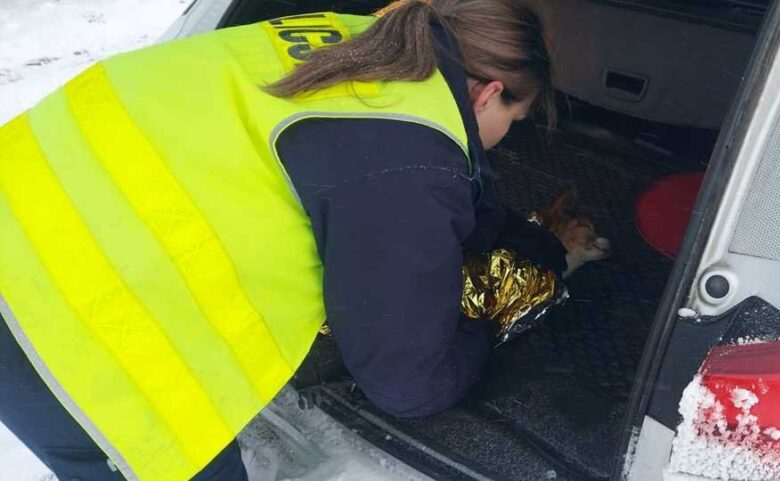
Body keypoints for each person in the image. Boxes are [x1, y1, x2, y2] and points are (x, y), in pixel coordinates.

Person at [0, 1, 567, 479]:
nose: (502, 140)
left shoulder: (345, 36)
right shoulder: (407, 158)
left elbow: (364, 170)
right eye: (513, 122)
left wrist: (511, 230)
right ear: (488, 94)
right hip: (60, 333)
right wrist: (486, 326)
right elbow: (406, 383)